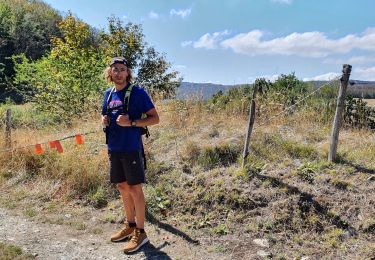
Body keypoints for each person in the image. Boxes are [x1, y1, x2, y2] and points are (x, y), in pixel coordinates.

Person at [101, 57, 159, 254]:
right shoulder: (108, 94)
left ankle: (141, 233)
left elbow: (155, 118)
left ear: (128, 73)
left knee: (135, 188)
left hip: (131, 148)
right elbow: (105, 117)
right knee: (122, 186)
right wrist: (104, 120)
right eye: (114, 69)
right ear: (110, 73)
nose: (118, 72)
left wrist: (132, 123)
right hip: (114, 148)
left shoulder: (137, 93)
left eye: (122, 69)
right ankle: (130, 225)